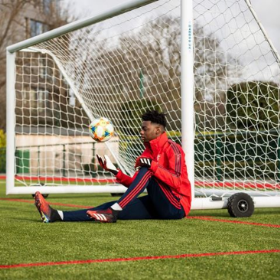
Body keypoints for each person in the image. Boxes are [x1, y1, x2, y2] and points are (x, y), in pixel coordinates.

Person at [35, 110, 192, 223]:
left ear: (158, 130)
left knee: (147, 170)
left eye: (145, 128)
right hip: (158, 204)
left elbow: (177, 182)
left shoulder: (173, 149)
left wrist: (153, 166)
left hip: (176, 206)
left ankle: (114, 211)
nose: (141, 132)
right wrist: (114, 171)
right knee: (106, 206)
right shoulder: (146, 154)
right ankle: (56, 215)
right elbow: (135, 185)